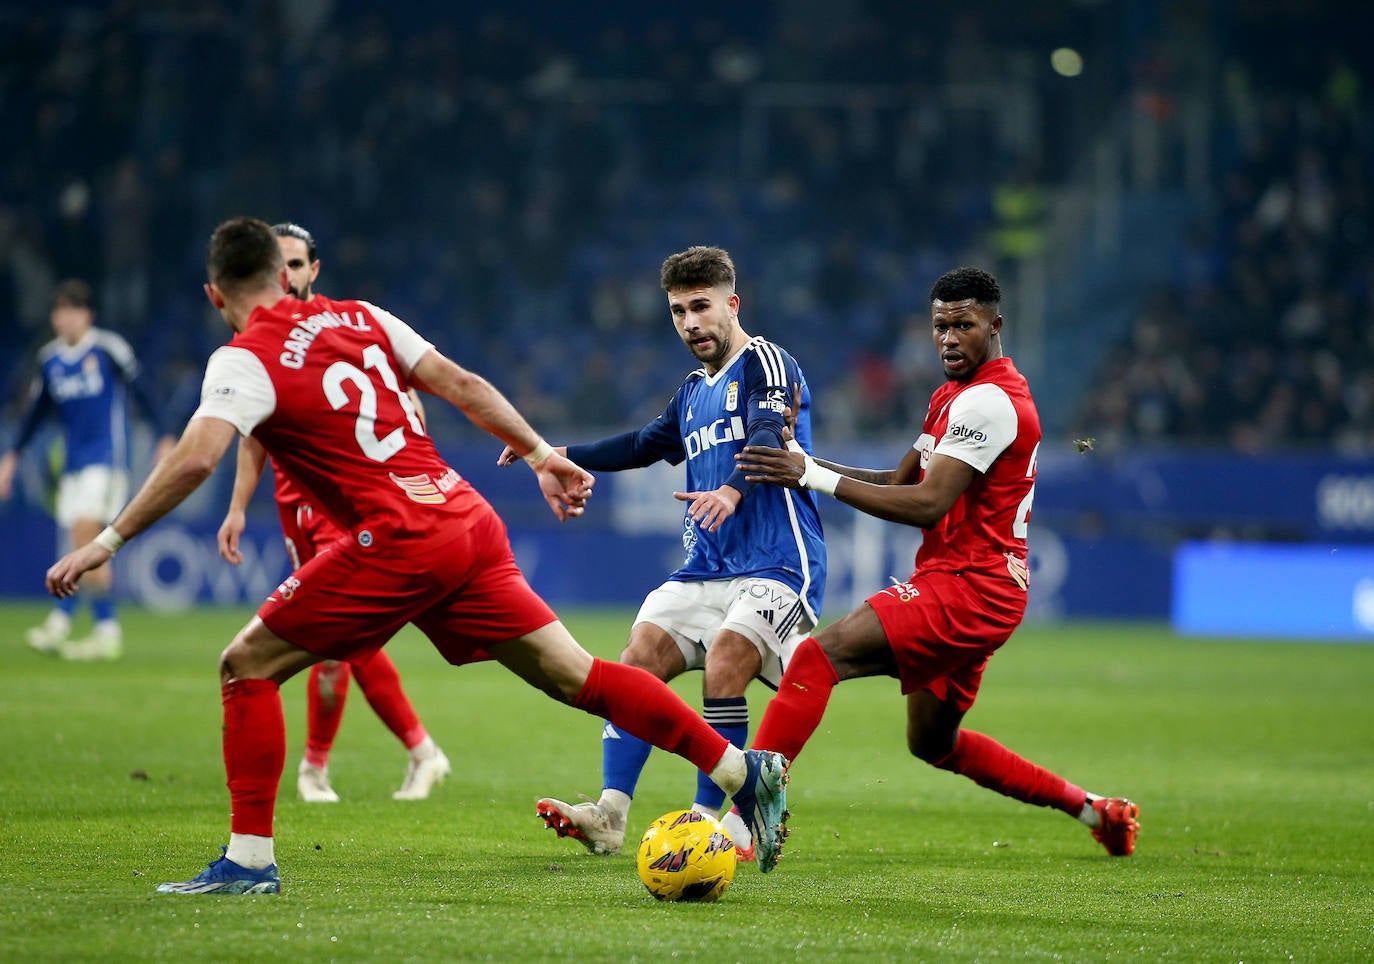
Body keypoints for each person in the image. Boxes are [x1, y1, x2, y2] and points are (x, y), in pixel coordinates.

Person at [45, 217, 792, 895]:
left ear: (216, 295)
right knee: (582, 677)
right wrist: (538, 453)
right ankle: (741, 772)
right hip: (464, 517)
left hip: (396, 538)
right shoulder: (362, 316)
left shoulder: (241, 359)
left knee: (246, 667)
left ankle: (247, 863)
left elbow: (195, 460)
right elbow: (461, 384)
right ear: (285, 272)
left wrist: (106, 540)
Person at [735, 266, 1139, 873]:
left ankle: (743, 820)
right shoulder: (953, 394)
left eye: (964, 325)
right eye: (940, 326)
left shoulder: (992, 402)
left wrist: (813, 478)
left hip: (973, 586)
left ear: (996, 326)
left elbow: (927, 504)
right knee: (932, 742)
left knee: (820, 657)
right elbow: (901, 482)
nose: (949, 338)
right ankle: (1097, 812)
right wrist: (804, 460)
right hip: (969, 584)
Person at [522, 245, 825, 862]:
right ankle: (610, 814)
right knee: (636, 664)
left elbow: (768, 436)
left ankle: (711, 824)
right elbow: (641, 443)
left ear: (731, 304)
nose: (690, 323)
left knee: (726, 663)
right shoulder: (691, 391)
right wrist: (552, 451)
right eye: (678, 312)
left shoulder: (766, 363)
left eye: (701, 307)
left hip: (777, 562)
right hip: (707, 565)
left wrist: (732, 490)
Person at [217, 222, 450, 803]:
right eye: (282, 265)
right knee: (339, 640)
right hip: (293, 500)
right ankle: (410, 752)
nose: (289, 275)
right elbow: (252, 437)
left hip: (347, 501)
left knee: (339, 637)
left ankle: (327, 766)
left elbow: (408, 406)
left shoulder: (344, 329)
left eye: (298, 265)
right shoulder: (259, 341)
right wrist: (238, 506)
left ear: (311, 271)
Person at [0, 279, 176, 661]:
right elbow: (35, 414)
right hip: (73, 467)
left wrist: (165, 434)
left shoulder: (108, 349)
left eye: (73, 311)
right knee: (82, 546)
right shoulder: (50, 360)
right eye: (59, 311)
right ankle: (106, 630)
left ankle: (60, 624)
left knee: (85, 537)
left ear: (88, 315)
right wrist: (11, 457)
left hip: (107, 461)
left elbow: (143, 391)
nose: (65, 318)